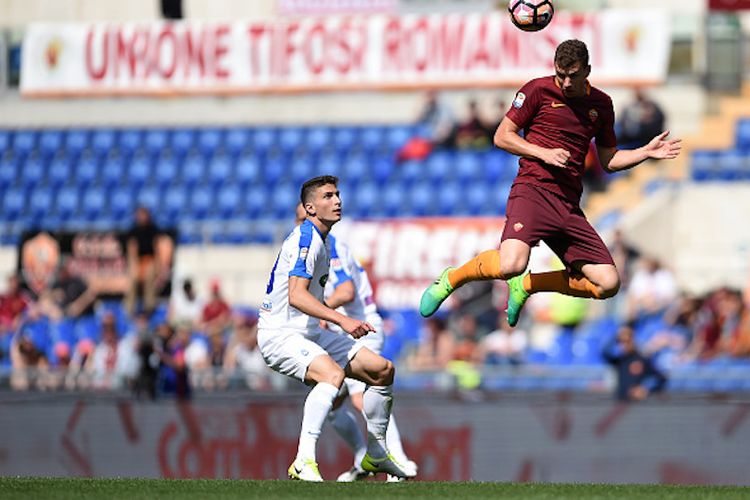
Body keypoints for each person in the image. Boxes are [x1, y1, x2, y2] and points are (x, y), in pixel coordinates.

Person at [419, 39, 682, 326]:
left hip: (568, 203)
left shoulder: (602, 105)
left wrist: (645, 152)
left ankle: (529, 285)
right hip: (532, 190)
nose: (566, 82)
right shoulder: (536, 90)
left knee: (608, 283)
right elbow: (502, 136)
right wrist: (542, 152)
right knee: (511, 264)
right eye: (561, 74)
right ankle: (452, 277)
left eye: (573, 75)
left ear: (587, 71)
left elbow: (608, 160)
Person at [257, 175, 414, 482]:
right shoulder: (307, 239)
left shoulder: (324, 240)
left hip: (309, 332)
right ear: (310, 208)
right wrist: (342, 319)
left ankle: (376, 452)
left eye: (338, 194)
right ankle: (303, 461)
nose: (337, 200)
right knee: (332, 375)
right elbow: (296, 295)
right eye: (328, 196)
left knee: (382, 370)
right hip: (281, 334)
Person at [602, 324, 667, 401]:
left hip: (637, 404)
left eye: (627, 342)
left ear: (632, 341)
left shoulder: (642, 359)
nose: (624, 345)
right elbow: (604, 352)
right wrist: (616, 337)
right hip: (620, 402)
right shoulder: (620, 360)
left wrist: (646, 389)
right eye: (621, 343)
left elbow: (661, 378)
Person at [125, 206, 162, 315]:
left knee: (149, 276)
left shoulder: (153, 229)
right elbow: (132, 250)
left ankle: (149, 307)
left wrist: (158, 265)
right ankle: (129, 309)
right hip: (138, 260)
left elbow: (157, 248)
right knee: (133, 278)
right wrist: (134, 265)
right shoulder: (133, 231)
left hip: (150, 260)